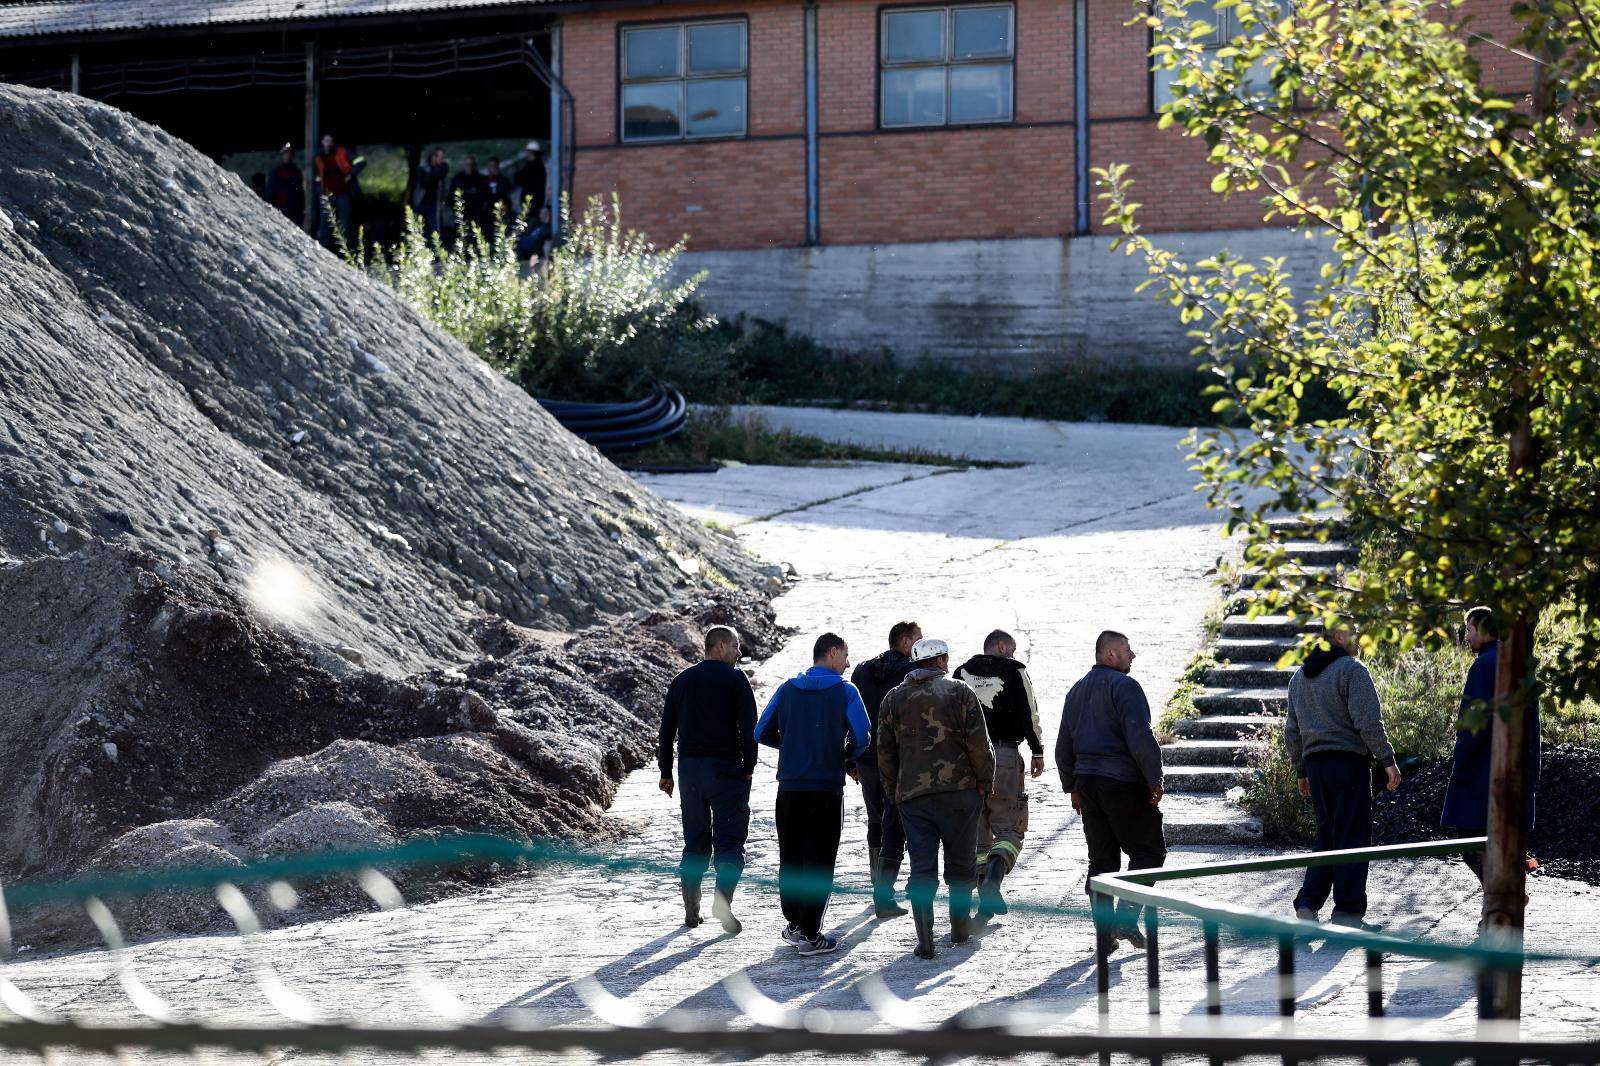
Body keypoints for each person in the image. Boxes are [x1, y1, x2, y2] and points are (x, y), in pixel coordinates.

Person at [754, 632, 872, 957]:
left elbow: (759, 730)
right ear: (832, 653)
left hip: (789, 788)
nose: (847, 664)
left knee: (790, 857)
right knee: (820, 860)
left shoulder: (787, 688)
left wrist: (792, 745)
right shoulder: (846, 691)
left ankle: (794, 924)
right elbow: (863, 735)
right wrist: (844, 754)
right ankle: (809, 933)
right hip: (825, 788)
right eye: (845, 656)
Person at [878, 637, 995, 959]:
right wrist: (985, 783)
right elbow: (979, 745)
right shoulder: (960, 691)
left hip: (913, 798)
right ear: (941, 660)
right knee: (961, 864)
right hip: (960, 793)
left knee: (922, 867)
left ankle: (925, 940)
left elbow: (884, 754)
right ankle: (959, 928)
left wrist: (895, 792)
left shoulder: (893, 699)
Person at [1282, 622, 1400, 926]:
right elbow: (1368, 723)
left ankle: (1308, 902)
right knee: (1353, 836)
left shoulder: (1299, 677)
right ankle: (1347, 912)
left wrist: (1301, 770)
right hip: (1348, 765)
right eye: (1354, 634)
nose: (1358, 640)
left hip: (1317, 767)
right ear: (1338, 637)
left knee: (1327, 834)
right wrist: (1388, 761)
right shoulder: (1352, 670)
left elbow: (1292, 732)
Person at [1056, 630, 1165, 949]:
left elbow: (1062, 747)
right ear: (1110, 655)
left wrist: (1072, 786)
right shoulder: (1125, 686)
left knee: (1102, 862)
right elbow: (1140, 737)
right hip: (1120, 782)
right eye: (1128, 650)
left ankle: (1104, 936)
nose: (1133, 656)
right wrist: (1154, 778)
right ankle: (1125, 920)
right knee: (1149, 852)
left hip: (1087, 785)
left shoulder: (1075, 691)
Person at [658, 625, 758, 935]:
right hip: (725, 769)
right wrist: (749, 765)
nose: (739, 653)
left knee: (695, 840)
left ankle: (691, 909)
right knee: (729, 843)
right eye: (734, 647)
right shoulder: (736, 679)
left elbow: (666, 731)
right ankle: (722, 903)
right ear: (718, 648)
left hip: (689, 771)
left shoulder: (682, 680)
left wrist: (665, 772)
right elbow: (749, 726)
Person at [1440, 606, 1540, 885]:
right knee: (1500, 843)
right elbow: (1534, 729)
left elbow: (1474, 724)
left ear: (1483, 630)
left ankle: (1503, 895)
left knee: (1470, 841)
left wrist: (1459, 761)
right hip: (1516, 773)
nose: (1466, 636)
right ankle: (1504, 897)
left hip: (1482, 773)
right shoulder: (1520, 663)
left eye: (1469, 630)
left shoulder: (1484, 665)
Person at [955, 628, 1045, 922]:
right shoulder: (1015, 671)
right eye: (1013, 649)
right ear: (1003, 647)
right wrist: (1037, 750)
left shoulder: (961, 672)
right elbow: (1029, 713)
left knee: (979, 831)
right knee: (1009, 828)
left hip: (966, 759)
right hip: (1003, 756)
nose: (1015, 655)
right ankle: (993, 883)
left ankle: (985, 896)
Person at [848, 620, 920, 919]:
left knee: (875, 819)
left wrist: (848, 759)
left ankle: (877, 884)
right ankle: (884, 893)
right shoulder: (910, 674)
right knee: (897, 821)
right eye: (918, 639)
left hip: (865, 758)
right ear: (905, 642)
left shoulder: (862, 670)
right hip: (898, 760)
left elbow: (848, 715)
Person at [313, 132, 354, 247]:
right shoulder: (318, 158)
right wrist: (319, 191)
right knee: (324, 223)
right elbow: (317, 177)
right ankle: (322, 250)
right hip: (326, 195)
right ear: (322, 142)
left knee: (344, 224)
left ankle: (344, 251)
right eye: (326, 141)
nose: (328, 144)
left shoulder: (341, 153)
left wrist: (351, 174)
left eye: (330, 141)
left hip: (342, 194)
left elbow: (359, 163)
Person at [449, 156, 490, 242]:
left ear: (474, 165)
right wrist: (455, 210)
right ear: (463, 165)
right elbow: (450, 196)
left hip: (478, 215)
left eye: (471, 164)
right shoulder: (457, 179)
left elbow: (487, 196)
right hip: (461, 214)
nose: (469, 167)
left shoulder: (481, 179)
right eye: (467, 164)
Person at [264, 143, 304, 225]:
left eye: (289, 154)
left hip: (294, 210)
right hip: (281, 208)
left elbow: (300, 192)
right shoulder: (276, 171)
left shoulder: (297, 172)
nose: (288, 156)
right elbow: (270, 190)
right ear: (282, 155)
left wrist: (301, 208)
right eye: (286, 153)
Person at [413, 148, 450, 237]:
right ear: (433, 157)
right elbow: (424, 182)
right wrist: (434, 174)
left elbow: (441, 173)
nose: (441, 160)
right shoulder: (422, 167)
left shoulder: (443, 166)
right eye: (439, 157)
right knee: (419, 229)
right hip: (421, 203)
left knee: (436, 231)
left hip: (435, 204)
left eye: (442, 157)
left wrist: (432, 174)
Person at [482, 157, 516, 238]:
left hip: (502, 211)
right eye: (490, 166)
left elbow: (508, 188)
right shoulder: (484, 181)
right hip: (488, 213)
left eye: (494, 166)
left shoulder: (502, 179)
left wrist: (499, 177)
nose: (492, 169)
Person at [513, 140, 548, 217]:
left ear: (531, 152)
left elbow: (520, 180)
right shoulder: (539, 165)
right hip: (535, 200)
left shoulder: (532, 167)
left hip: (532, 201)